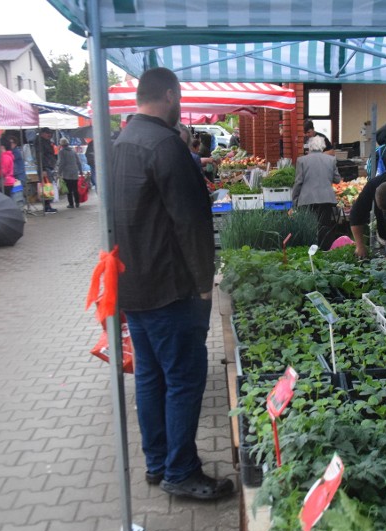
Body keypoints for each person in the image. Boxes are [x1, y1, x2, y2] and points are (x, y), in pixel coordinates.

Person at [110, 67, 234, 501]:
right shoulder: (165, 145)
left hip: (135, 286)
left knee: (150, 376)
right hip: (171, 287)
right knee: (182, 378)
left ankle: (158, 462)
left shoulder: (121, 142)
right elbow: (193, 221)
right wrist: (204, 283)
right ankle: (180, 471)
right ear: (169, 95)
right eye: (179, 98)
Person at [291, 135, 341, 249]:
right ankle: (325, 249)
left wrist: (295, 199)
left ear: (309, 147)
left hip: (307, 199)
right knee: (324, 226)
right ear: (323, 147)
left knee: (309, 226)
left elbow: (298, 182)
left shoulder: (302, 160)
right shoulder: (331, 159)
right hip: (326, 199)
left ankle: (310, 249)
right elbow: (337, 179)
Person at [35, 127, 58, 213]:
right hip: (45, 167)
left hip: (48, 166)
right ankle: (47, 206)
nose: (50, 135)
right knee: (46, 187)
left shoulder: (46, 142)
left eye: (50, 133)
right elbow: (40, 156)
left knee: (47, 187)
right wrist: (43, 168)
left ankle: (48, 205)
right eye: (48, 133)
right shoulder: (40, 143)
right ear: (43, 133)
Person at [56, 138, 83, 209]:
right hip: (74, 172)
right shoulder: (73, 151)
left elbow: (61, 163)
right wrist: (81, 171)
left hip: (67, 173)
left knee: (69, 190)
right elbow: (78, 162)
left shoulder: (61, 152)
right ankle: (77, 203)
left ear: (61, 144)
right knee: (75, 188)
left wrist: (59, 173)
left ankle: (71, 204)